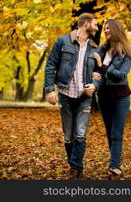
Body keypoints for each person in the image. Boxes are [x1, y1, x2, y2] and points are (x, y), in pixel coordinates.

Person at [44, 13, 101, 179]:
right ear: (85, 24)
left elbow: (99, 74)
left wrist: (95, 85)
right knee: (68, 137)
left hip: (85, 97)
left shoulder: (95, 48)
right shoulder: (63, 41)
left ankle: (76, 169)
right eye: (95, 25)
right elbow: (50, 65)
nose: (97, 28)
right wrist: (49, 89)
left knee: (80, 135)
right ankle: (73, 164)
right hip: (65, 95)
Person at [93, 19, 131, 180]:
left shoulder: (128, 51)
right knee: (110, 133)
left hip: (120, 97)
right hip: (103, 96)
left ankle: (114, 167)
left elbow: (120, 75)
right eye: (105, 28)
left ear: (117, 29)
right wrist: (94, 75)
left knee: (117, 133)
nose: (106, 31)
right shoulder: (102, 50)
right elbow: (97, 72)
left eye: (109, 28)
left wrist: (101, 66)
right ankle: (115, 162)